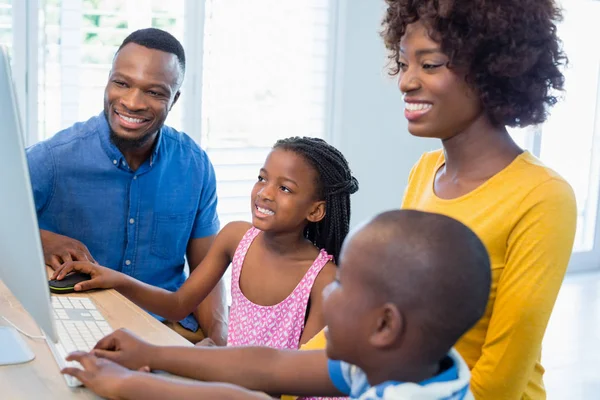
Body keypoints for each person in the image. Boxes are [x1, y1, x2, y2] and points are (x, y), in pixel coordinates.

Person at [62, 210, 492, 400]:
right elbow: (268, 366)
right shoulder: (403, 360)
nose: (326, 294)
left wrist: (128, 385)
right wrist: (152, 353)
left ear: (384, 326)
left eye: (342, 287)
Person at [381, 0, 578, 398]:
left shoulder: (542, 197)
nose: (406, 82)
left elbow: (498, 383)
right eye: (404, 64)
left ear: (492, 69)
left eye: (430, 64)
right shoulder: (424, 172)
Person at [52, 136, 359, 350]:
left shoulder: (324, 279)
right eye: (262, 178)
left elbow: (299, 375)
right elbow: (177, 305)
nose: (265, 193)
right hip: (231, 380)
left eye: (285, 188)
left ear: (316, 210)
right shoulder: (235, 238)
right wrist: (113, 279)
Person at [26, 28, 227, 344]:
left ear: (174, 99)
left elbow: (208, 274)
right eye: (122, 83)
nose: (132, 102)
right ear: (107, 81)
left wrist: (218, 341)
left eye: (155, 92)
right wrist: (39, 239)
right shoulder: (51, 159)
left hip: (168, 330)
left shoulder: (195, 165)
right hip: (78, 327)